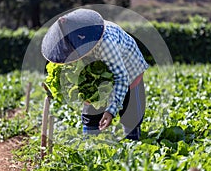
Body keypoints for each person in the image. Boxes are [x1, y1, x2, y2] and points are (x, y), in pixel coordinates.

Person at [42, 8, 149, 140]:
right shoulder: (70, 43)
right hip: (97, 70)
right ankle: (90, 144)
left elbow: (121, 78)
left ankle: (133, 142)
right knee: (90, 111)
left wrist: (110, 110)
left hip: (129, 68)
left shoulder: (106, 44)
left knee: (131, 114)